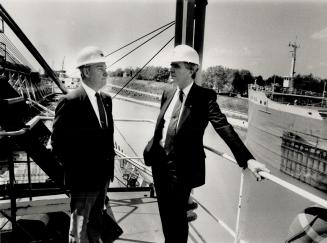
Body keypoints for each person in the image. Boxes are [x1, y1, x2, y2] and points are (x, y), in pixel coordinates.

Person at [143, 44, 270, 243]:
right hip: (160, 167)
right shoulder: (168, 93)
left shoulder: (204, 97)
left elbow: (223, 127)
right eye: (170, 65)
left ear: (192, 69)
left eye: (176, 65)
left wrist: (248, 160)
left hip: (181, 170)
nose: (171, 69)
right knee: (166, 218)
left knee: (177, 221)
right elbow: (162, 127)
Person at [51, 46, 115, 243]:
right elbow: (58, 144)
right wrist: (78, 172)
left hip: (103, 177)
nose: (106, 72)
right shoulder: (70, 101)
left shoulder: (105, 100)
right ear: (86, 71)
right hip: (83, 181)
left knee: (96, 224)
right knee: (79, 230)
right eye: (100, 68)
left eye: (105, 67)